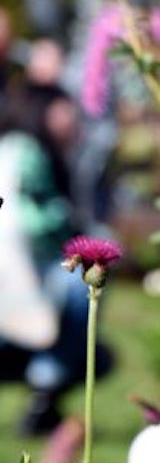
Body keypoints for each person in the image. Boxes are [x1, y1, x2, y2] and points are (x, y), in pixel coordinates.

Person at [0, 84, 112, 434]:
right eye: (65, 109)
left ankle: (44, 394)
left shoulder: (25, 149)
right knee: (80, 287)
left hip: (27, 273)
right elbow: (19, 217)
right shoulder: (26, 151)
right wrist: (68, 220)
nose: (72, 117)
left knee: (101, 358)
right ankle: (45, 388)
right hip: (18, 275)